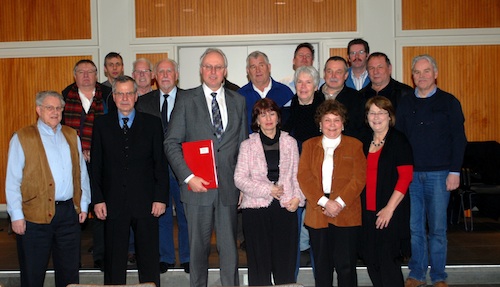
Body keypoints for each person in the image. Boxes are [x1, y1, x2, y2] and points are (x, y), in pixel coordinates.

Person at [165, 48, 247, 287]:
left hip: (229, 188)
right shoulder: (186, 100)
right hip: (196, 187)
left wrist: (243, 183)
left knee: (230, 249)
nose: (213, 71)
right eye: (208, 67)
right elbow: (171, 143)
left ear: (225, 71)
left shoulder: (238, 101)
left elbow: (243, 146)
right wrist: (188, 177)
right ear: (201, 71)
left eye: (218, 67)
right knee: (198, 249)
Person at [5, 90, 91, 287]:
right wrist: (16, 215)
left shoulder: (71, 135)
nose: (55, 112)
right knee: (33, 274)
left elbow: (81, 173)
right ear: (38, 110)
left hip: (68, 214)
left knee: (70, 274)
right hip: (34, 217)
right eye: (49, 108)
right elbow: (12, 180)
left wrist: (83, 204)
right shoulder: (23, 137)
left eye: (59, 108)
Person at [91, 75, 169, 286]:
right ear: (113, 97)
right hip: (112, 204)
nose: (124, 98)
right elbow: (95, 166)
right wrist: (97, 200)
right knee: (114, 262)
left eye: (129, 93)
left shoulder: (153, 124)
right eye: (120, 93)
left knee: (149, 260)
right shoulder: (101, 125)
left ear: (136, 97)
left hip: (146, 204)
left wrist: (160, 198)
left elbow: (160, 165)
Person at [396, 55, 467, 287]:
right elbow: (400, 140)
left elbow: (459, 139)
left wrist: (455, 171)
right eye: (417, 72)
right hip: (411, 176)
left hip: (440, 175)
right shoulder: (405, 103)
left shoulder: (449, 102)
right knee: (415, 228)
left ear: (435, 73)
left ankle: (438, 276)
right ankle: (417, 274)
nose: (422, 76)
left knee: (437, 229)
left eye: (426, 71)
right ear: (412, 76)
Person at [234, 98, 305, 285]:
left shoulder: (290, 142)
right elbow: (239, 179)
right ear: (256, 120)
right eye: (262, 114)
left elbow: (298, 176)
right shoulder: (247, 145)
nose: (268, 118)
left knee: (285, 262)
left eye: (272, 113)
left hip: (285, 207)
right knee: (259, 264)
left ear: (278, 117)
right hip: (256, 209)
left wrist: (298, 198)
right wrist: (268, 189)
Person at [297, 99, 366, 287]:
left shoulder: (355, 145)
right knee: (321, 267)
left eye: (336, 120)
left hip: (346, 212)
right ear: (320, 124)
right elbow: (304, 177)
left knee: (346, 267)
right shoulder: (309, 146)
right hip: (318, 211)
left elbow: (358, 179)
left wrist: (338, 203)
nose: (332, 125)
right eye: (327, 120)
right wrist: (324, 202)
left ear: (343, 123)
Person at [136, 58, 190, 274]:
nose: (166, 75)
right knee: (160, 213)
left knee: (187, 213)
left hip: (185, 166)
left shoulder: (191, 98)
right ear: (154, 77)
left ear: (176, 75)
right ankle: (164, 256)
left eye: (170, 71)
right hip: (155, 167)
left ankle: (187, 257)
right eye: (161, 72)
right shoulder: (144, 101)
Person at [61, 59, 114, 271]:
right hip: (72, 160)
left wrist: (97, 150)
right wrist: (79, 150)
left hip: (103, 160)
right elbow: (61, 128)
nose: (85, 76)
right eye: (81, 72)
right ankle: (72, 257)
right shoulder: (65, 96)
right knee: (75, 208)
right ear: (75, 75)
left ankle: (102, 256)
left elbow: (112, 126)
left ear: (96, 74)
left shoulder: (108, 95)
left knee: (101, 207)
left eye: (90, 72)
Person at [360, 96, 414, 287]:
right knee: (371, 260)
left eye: (381, 112)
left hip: (390, 212)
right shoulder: (364, 140)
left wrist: (389, 209)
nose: (376, 117)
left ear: (389, 116)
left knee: (388, 264)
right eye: (372, 113)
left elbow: (406, 177)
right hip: (367, 212)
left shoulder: (399, 140)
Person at [238, 51, 294, 133]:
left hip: (281, 144)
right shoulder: (240, 96)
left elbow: (292, 124)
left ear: (269, 67)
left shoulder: (285, 92)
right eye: (253, 67)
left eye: (261, 65)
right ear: (248, 71)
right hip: (250, 144)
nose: (258, 70)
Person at [317, 56, 366, 139]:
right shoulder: (314, 98)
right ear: (324, 73)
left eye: (338, 72)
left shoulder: (358, 99)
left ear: (346, 75)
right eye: (329, 71)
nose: (333, 76)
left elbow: (362, 130)